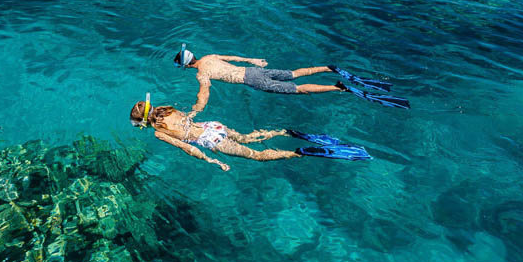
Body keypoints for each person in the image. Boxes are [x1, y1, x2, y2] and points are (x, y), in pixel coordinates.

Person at [129, 95, 371, 172]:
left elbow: (188, 147)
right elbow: (189, 118)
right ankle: (284, 131)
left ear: (142, 122)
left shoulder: (158, 133)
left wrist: (212, 160)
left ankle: (301, 152)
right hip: (214, 126)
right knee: (246, 137)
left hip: (210, 140)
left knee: (257, 156)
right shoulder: (165, 109)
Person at [174, 46, 408, 112]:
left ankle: (337, 88)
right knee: (295, 73)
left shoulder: (201, 73)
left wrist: (195, 111)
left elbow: (204, 93)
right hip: (256, 71)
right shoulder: (210, 56)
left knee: (298, 89)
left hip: (254, 81)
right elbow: (233, 56)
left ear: (187, 66)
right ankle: (328, 67)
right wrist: (254, 60)